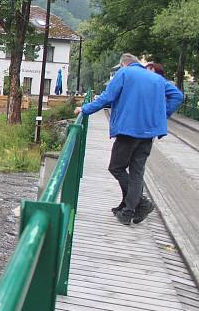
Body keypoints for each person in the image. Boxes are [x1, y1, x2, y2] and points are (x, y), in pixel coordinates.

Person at [75, 54, 184, 225]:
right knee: (137, 171)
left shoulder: (124, 74)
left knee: (116, 167)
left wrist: (85, 109)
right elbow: (178, 96)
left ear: (123, 64)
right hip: (148, 133)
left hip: (129, 130)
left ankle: (140, 203)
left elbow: (107, 97)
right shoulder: (156, 78)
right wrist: (161, 115)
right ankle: (128, 209)